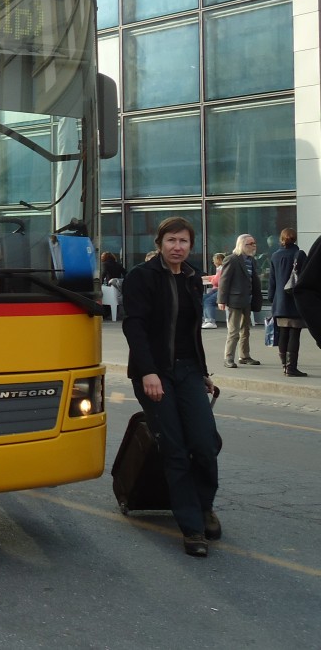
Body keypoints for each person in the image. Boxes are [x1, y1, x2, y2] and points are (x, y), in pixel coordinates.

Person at [121, 216, 220, 558]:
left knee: (205, 443)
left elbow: (191, 332)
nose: (178, 247)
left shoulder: (192, 278)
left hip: (189, 371)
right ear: (160, 243)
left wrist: (203, 372)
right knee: (175, 449)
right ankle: (192, 528)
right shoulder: (141, 277)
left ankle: (204, 507)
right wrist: (148, 372)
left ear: (191, 245)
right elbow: (134, 327)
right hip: (154, 373)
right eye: (171, 240)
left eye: (184, 241)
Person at [266, 228, 307, 377]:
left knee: (283, 333)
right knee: (294, 334)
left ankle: (284, 365)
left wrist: (272, 298)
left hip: (280, 301)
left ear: (281, 239)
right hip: (295, 300)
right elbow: (306, 278)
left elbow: (272, 281)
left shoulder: (275, 255)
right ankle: (291, 367)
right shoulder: (300, 254)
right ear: (295, 238)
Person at [217, 233, 263, 368]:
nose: (254, 246)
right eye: (250, 244)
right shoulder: (232, 259)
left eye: (254, 243)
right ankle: (228, 358)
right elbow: (224, 281)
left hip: (247, 299)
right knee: (234, 331)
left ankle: (244, 356)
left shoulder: (251, 260)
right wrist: (221, 300)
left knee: (246, 330)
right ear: (242, 245)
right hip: (235, 300)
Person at [201, 252, 226, 329]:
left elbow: (216, 281)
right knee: (203, 298)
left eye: (214, 260)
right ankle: (205, 319)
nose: (213, 262)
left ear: (218, 260)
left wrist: (211, 279)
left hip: (222, 290)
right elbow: (216, 277)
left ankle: (211, 321)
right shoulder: (220, 269)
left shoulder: (222, 269)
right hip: (217, 289)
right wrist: (207, 278)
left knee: (208, 301)